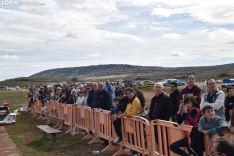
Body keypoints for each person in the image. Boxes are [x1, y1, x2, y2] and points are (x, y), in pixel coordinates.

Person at [149, 83, 172, 155]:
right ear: (154, 89)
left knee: (164, 140)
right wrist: (150, 119)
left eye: (159, 87)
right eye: (156, 87)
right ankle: (161, 153)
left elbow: (169, 111)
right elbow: (151, 110)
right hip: (154, 123)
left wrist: (164, 122)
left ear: (162, 89)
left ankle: (166, 153)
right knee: (158, 140)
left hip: (162, 123)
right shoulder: (153, 99)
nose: (158, 89)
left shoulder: (166, 98)